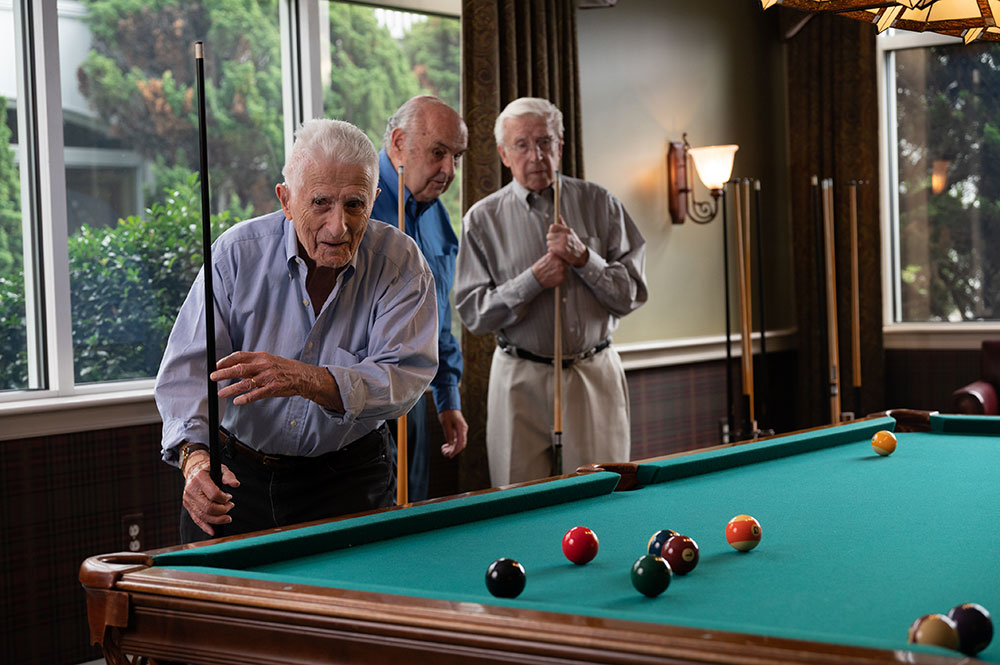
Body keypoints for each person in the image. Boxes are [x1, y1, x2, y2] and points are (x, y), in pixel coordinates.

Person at [155, 119, 438, 543]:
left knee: (353, 609)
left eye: (355, 205)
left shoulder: (401, 264)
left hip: (348, 477)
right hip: (237, 479)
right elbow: (187, 375)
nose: (338, 226)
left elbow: (402, 379)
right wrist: (194, 461)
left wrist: (307, 379)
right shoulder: (235, 255)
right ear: (286, 201)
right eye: (320, 202)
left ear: (375, 200)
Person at [454, 97, 647, 486]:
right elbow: (474, 315)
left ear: (560, 146)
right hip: (519, 376)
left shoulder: (601, 203)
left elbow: (632, 294)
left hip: (592, 372)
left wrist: (584, 259)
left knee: (603, 493)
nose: (536, 155)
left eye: (545, 142)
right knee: (517, 501)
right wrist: (533, 280)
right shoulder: (481, 219)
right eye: (522, 145)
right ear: (504, 155)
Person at [371, 95, 469, 502]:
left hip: (413, 399)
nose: (449, 170)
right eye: (438, 153)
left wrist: (448, 396)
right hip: (357, 407)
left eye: (456, 157)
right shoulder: (358, 202)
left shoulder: (437, 216)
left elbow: (438, 316)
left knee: (410, 511)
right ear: (398, 144)